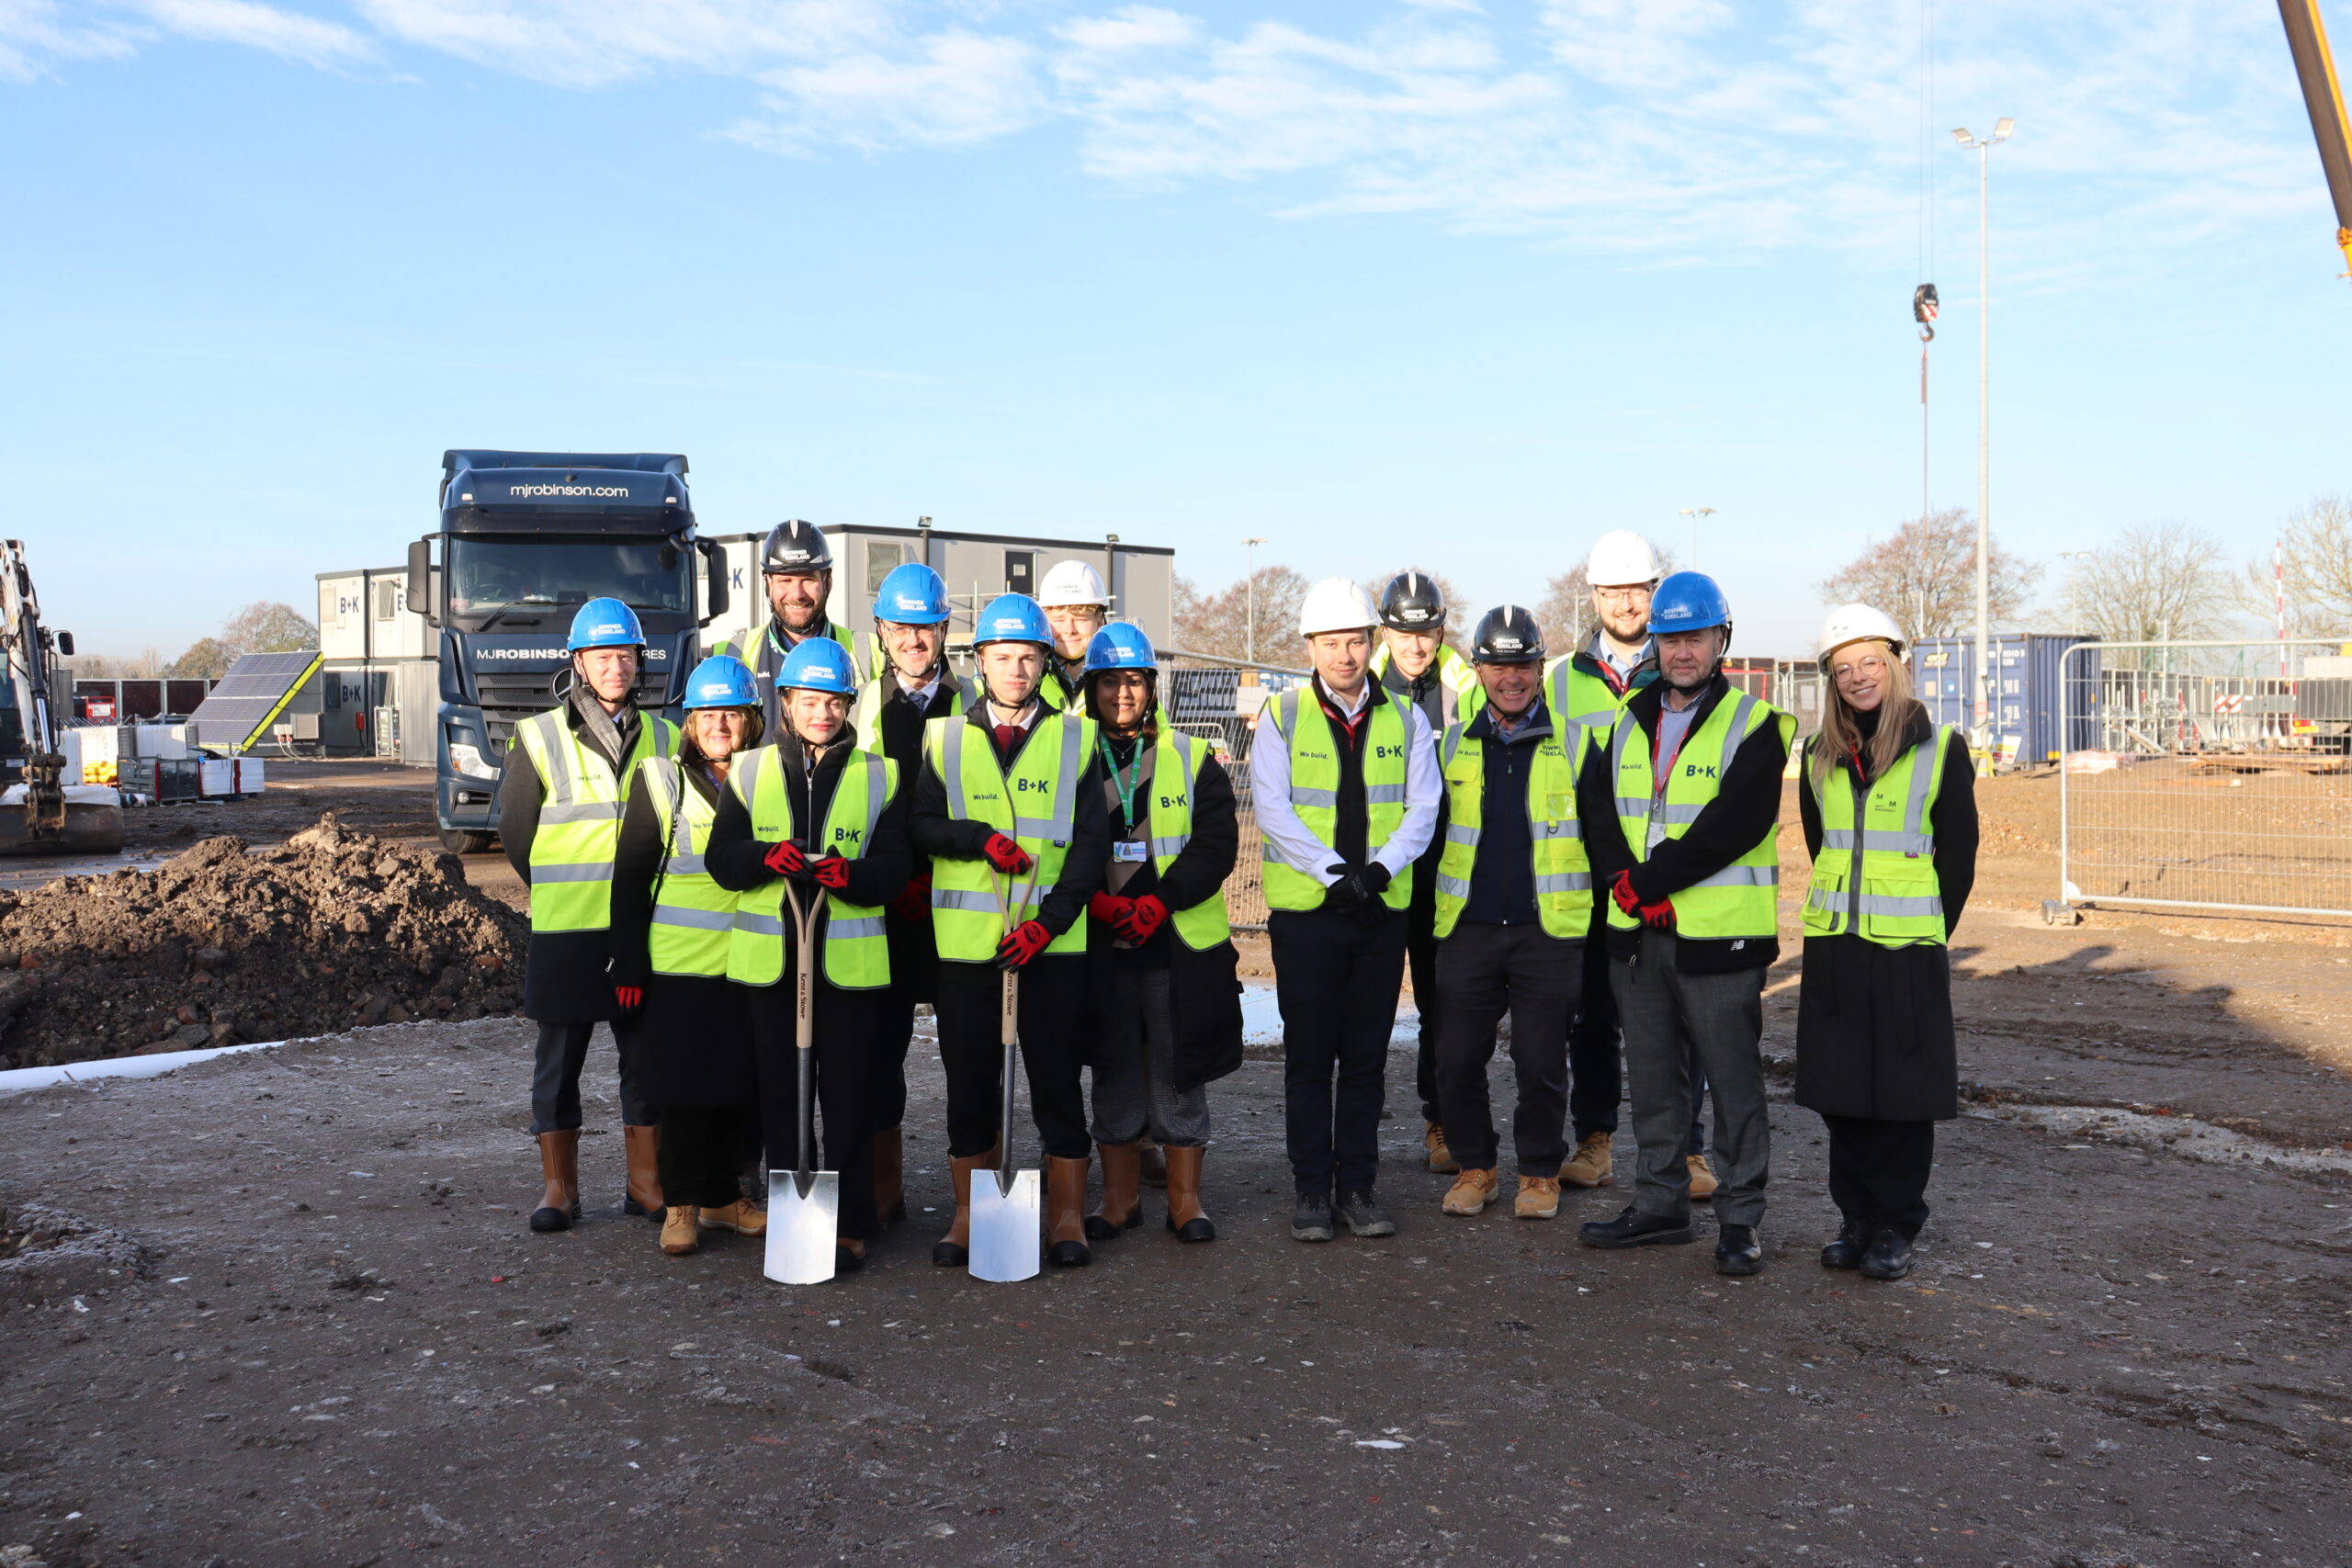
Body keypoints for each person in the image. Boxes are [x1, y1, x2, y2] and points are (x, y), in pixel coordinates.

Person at [1575, 571, 1791, 1277]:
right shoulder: (1624, 717)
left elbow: (1736, 821)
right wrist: (1625, 886)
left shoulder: (1755, 724)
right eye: (1671, 639)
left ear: (1721, 640)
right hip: (1638, 935)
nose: (1682, 651)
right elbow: (1597, 809)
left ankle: (1739, 1218)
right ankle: (1661, 1204)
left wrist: (1651, 880)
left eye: (1695, 637)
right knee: (1655, 1079)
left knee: (1732, 1084)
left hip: (1719, 940)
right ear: (1656, 644)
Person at [910, 592, 1110, 1269]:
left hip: (1050, 949)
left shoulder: (1074, 739)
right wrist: (976, 840)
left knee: (1055, 1078)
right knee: (970, 1082)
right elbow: (921, 825)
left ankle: (1064, 1216)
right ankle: (970, 1214)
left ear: (1046, 663)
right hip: (969, 950)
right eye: (1003, 657)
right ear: (980, 662)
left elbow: (1089, 851)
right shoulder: (943, 737)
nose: (1017, 670)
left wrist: (1048, 926)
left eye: (1029, 657)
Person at [705, 637, 911, 1274]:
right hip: (773, 968)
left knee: (847, 1096)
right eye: (809, 700)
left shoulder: (881, 775)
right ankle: (796, 1212)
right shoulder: (750, 772)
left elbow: (898, 868)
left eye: (834, 701)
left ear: (848, 704)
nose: (822, 711)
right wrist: (766, 857)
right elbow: (721, 860)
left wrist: (849, 875)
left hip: (847, 971)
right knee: (781, 1097)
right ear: (786, 703)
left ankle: (849, 1223)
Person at [1252, 578, 1442, 1244]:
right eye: (1332, 642)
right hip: (1310, 917)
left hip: (1378, 915)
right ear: (1310, 645)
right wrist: (1336, 875)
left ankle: (1357, 1187)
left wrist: (1380, 873)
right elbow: (1272, 808)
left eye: (1356, 640)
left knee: (1364, 1058)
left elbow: (1424, 806)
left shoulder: (1409, 718)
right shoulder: (1282, 716)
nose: (1345, 654)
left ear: (1372, 641)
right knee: (1308, 1056)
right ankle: (1311, 1189)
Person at [1797, 605, 1977, 1282]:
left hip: (1906, 949)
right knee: (1843, 1094)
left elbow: (1958, 852)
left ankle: (1897, 1224)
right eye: (1843, 668)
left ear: (1895, 663)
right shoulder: (1819, 755)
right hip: (1837, 945)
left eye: (1870, 661)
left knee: (1902, 1098)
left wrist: (1928, 924)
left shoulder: (1940, 747)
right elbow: (1823, 846)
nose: (1858, 676)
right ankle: (1856, 1219)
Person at [1543, 531, 1715, 1201]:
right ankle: (1595, 1138)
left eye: (1636, 589)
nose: (1624, 602)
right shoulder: (1561, 678)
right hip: (1590, 876)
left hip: (1672, 875)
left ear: (1654, 590)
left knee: (1680, 1015)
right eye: (1611, 590)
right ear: (1593, 595)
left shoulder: (1681, 665)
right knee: (1592, 1015)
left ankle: (1691, 1147)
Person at [500, 598, 681, 1234]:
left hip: (641, 930)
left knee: (648, 1058)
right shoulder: (539, 735)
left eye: (625, 655)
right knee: (558, 1063)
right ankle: (559, 1188)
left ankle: (646, 1182)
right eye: (603, 655)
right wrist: (561, 888)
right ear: (578, 662)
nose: (615, 666)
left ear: (640, 662)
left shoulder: (666, 737)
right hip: (566, 931)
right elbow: (516, 835)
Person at [1077, 622, 1244, 1246]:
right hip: (1103, 948)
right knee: (1115, 1072)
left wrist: (1161, 900)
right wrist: (1092, 900)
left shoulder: (1192, 758)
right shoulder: (1072, 755)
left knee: (1180, 1071)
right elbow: (1057, 841)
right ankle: (1119, 1200)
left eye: (1135, 680)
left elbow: (1216, 844)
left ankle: (1185, 1200)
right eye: (1112, 681)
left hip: (1175, 948)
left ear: (1152, 686)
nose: (1124, 693)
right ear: (1092, 686)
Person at [1430, 606, 1590, 1223]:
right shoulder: (1450, 745)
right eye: (1498, 665)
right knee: (1456, 1058)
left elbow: (1601, 838)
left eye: (1522, 663)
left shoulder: (1574, 743)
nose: (1511, 677)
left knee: (1542, 1061)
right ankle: (1477, 1166)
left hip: (1546, 931)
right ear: (1479, 670)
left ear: (1538, 666)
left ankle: (1540, 1171)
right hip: (1467, 930)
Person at [609, 656, 768, 1255]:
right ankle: (681, 1206)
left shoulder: (766, 779)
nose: (719, 724)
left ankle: (725, 1198)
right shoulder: (662, 779)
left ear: (751, 719)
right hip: (678, 967)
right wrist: (626, 962)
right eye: (707, 713)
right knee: (681, 1093)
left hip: (749, 961)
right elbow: (629, 878)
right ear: (690, 720)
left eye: (730, 712)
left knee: (736, 1088)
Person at [850, 562, 977, 1228]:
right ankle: (882, 1190)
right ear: (880, 630)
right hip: (882, 907)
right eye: (901, 627)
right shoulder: (859, 703)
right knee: (878, 1052)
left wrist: (932, 877)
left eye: (925, 627)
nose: (913, 639)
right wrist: (891, 879)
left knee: (967, 1051)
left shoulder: (976, 702)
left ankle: (968, 1200)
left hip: (958, 906)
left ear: (944, 629)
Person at [1366, 570, 1484, 1180]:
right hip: (1383, 874)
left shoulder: (1466, 686)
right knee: (1374, 1006)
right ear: (1386, 629)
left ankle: (1441, 1121)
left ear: (1443, 630)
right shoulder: (1363, 685)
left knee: (1445, 1005)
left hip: (1446, 874)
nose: (1416, 645)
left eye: (1428, 632)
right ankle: (1357, 1129)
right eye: (1404, 632)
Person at [709, 520, 863, 735]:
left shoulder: (868, 652)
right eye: (785, 580)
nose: (797, 594)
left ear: (828, 581)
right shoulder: (731, 654)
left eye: (808, 580)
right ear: (768, 583)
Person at [1035, 559, 1112, 712]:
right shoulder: (1028, 677)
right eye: (1059, 620)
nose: (1070, 630)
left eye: (1080, 619)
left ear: (1099, 621)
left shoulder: (1122, 678)